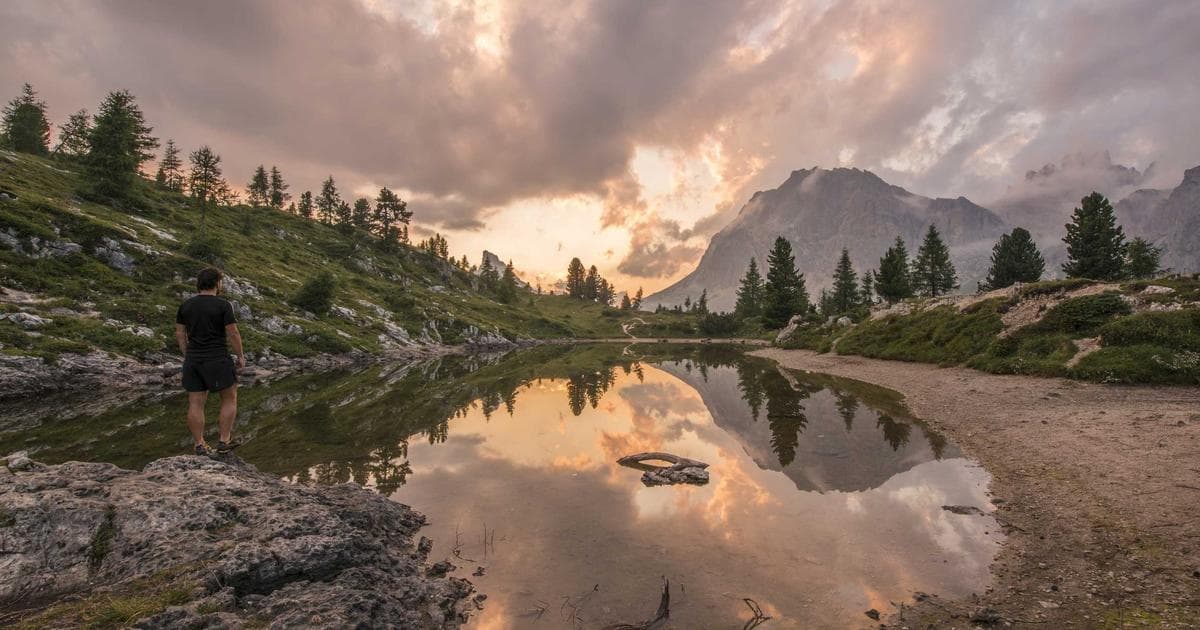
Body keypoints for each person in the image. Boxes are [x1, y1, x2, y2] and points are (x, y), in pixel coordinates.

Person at [174, 267, 245, 456]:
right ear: (217, 283)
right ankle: (224, 441)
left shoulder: (186, 305)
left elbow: (180, 333)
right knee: (229, 398)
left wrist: (187, 353)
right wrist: (240, 355)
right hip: (217, 358)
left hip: (193, 360)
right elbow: (233, 333)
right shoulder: (223, 305)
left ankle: (199, 444)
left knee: (195, 402)